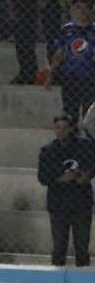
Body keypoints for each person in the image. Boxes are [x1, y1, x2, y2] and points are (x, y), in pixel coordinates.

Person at [38, 114, 95, 267]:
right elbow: (42, 177)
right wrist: (61, 178)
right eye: (58, 128)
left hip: (81, 202)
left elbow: (92, 166)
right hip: (58, 204)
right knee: (59, 247)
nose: (61, 131)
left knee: (82, 247)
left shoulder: (85, 146)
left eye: (65, 128)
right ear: (54, 129)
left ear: (70, 128)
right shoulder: (48, 151)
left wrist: (86, 175)